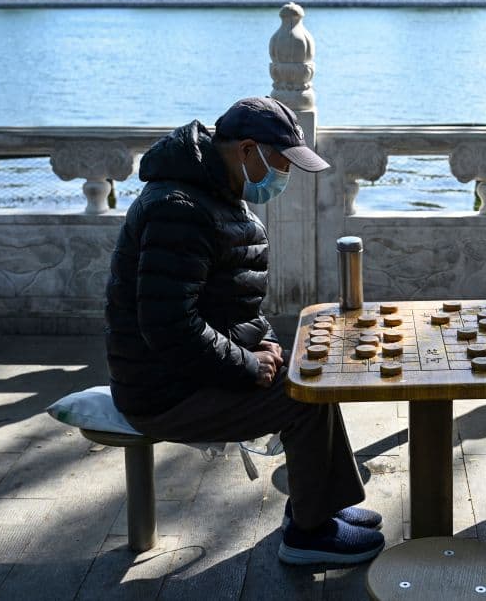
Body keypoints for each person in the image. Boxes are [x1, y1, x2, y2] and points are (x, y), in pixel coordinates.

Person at [104, 97, 384, 566]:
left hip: (187, 372)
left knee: (308, 371)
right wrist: (248, 365)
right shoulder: (179, 209)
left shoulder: (215, 193)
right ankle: (309, 535)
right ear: (248, 150)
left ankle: (319, 506)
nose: (285, 176)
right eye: (283, 163)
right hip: (161, 390)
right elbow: (169, 326)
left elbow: (234, 304)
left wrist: (267, 342)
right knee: (304, 398)